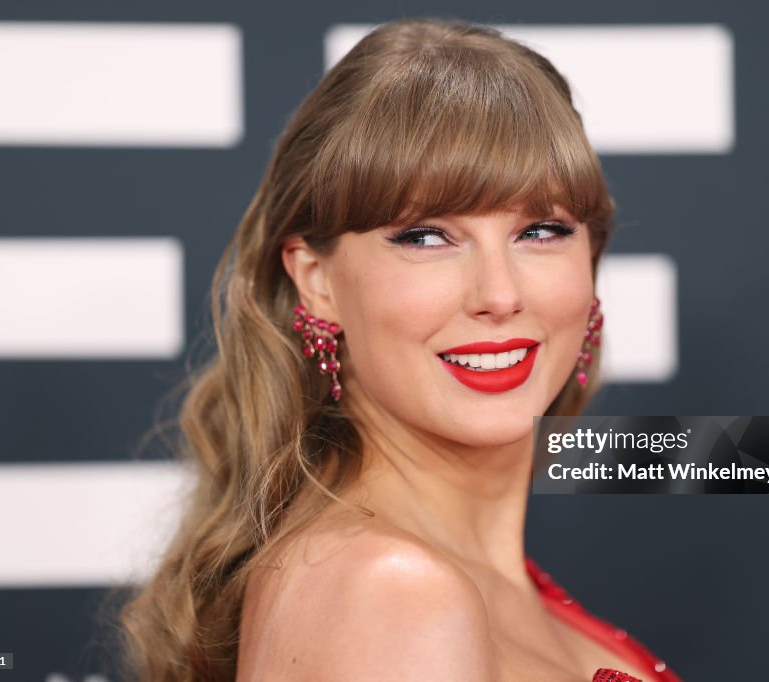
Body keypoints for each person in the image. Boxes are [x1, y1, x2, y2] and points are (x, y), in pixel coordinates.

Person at [118, 17, 680, 682]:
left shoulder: (435, 577)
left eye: (540, 230)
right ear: (317, 281)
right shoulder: (390, 594)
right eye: (425, 237)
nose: (499, 294)